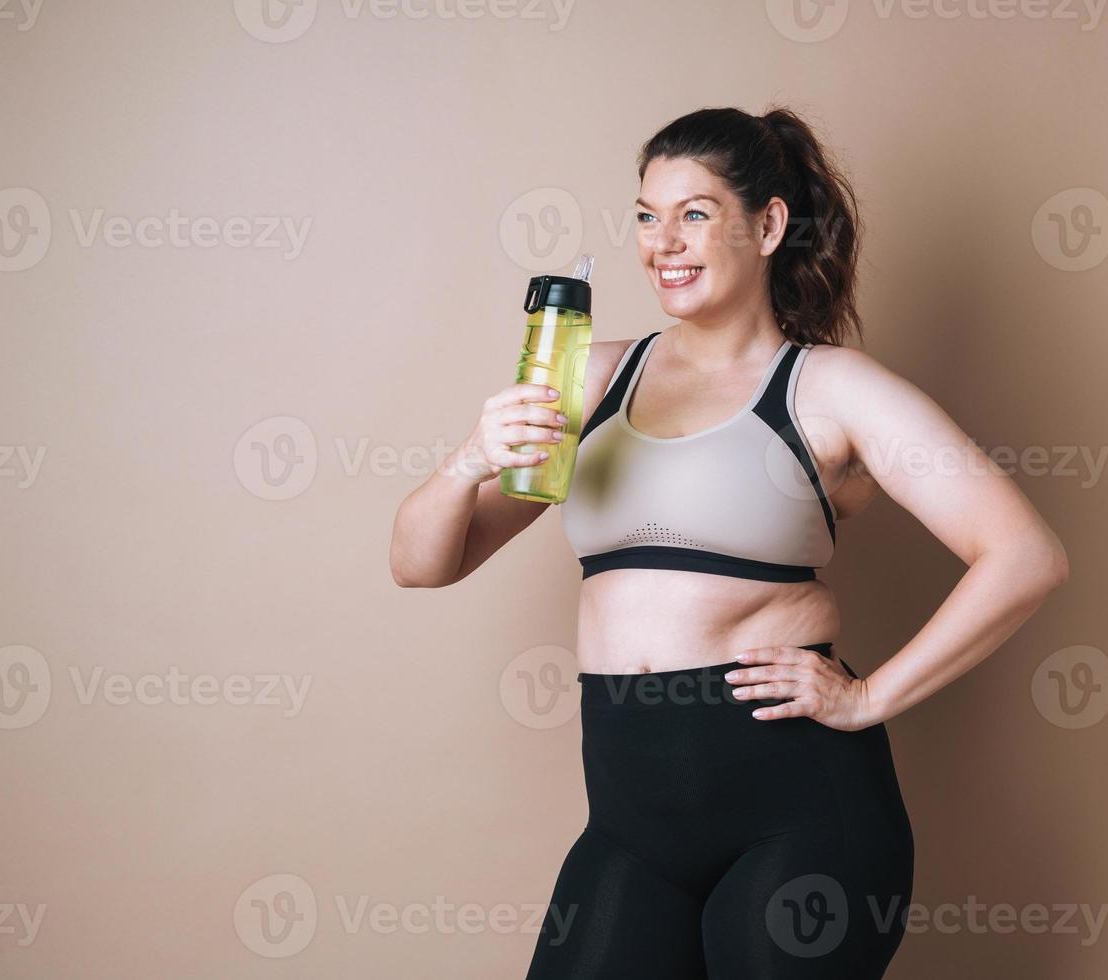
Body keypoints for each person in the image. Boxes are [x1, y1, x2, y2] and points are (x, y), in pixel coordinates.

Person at [390, 105, 1069, 979]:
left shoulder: (829, 389)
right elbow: (419, 563)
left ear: (769, 224)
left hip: (798, 813)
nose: (662, 242)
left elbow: (1025, 555)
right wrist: (470, 460)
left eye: (695, 213)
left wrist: (868, 698)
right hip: (631, 824)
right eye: (646, 215)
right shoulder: (592, 375)